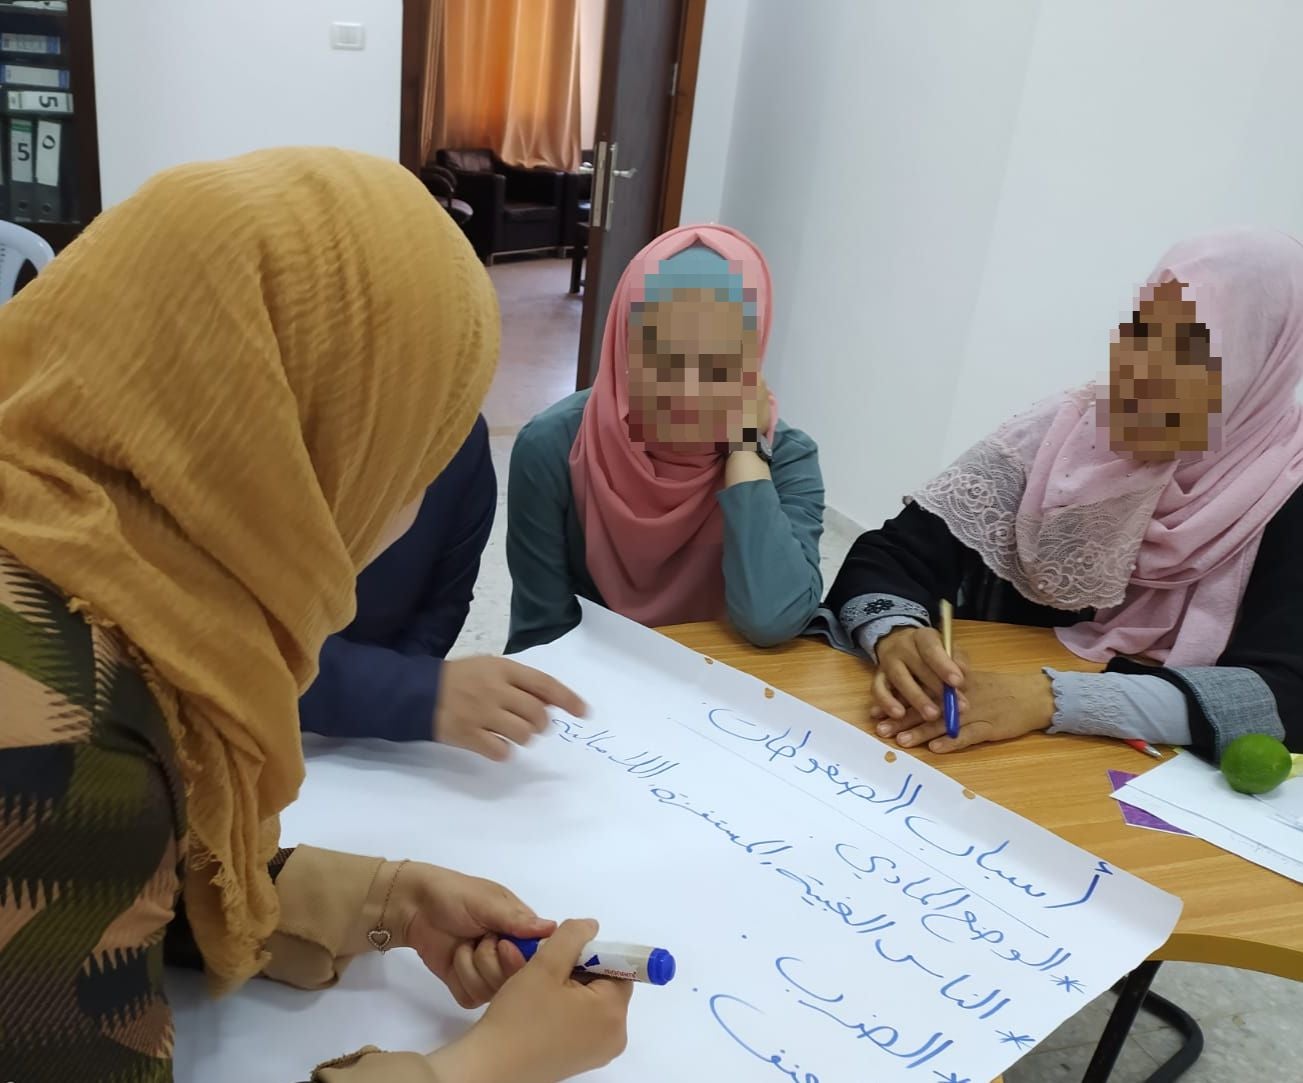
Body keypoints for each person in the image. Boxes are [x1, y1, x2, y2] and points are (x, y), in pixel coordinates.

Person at [0, 149, 628, 1083]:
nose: (412, 498)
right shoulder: (63, 722)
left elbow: (104, 889)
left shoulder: (91, 564)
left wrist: (382, 899)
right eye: (411, 446)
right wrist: (485, 1065)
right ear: (283, 431)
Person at [817, 229, 1303, 763]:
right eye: (1143, 333)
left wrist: (1051, 697)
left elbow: (1285, 694)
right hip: (979, 751)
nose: (1140, 371)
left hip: (1144, 780)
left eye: (1190, 353)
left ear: (1261, 366)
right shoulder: (1067, 432)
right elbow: (889, 554)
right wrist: (895, 633)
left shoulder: (1287, 484)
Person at [506, 224, 824, 653]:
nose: (688, 388)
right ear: (624, 345)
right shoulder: (553, 447)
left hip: (721, 693)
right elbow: (541, 635)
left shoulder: (785, 456)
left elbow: (773, 619)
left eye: (719, 359)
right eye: (664, 355)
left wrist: (746, 451)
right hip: (588, 694)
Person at [299, 415, 584, 761]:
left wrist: (412, 687)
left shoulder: (457, 434)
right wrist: (416, 691)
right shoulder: (252, 429)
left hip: (377, 753)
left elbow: (444, 602)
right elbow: (236, 643)